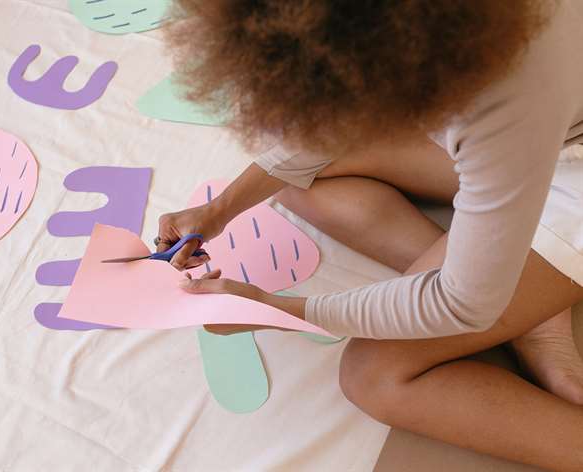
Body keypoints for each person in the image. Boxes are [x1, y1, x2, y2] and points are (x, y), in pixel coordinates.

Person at [157, 1, 583, 469]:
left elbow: (460, 304)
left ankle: (509, 288)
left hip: (558, 157)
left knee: (372, 377)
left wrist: (277, 308)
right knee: (293, 177)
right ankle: (516, 293)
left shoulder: (503, 102)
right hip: (549, 117)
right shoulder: (437, 34)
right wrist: (218, 210)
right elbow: (330, 124)